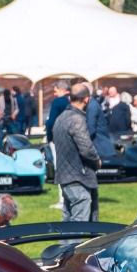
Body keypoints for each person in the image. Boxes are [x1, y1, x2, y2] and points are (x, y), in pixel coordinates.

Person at [52, 82, 101, 221]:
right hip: (78, 176)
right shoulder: (76, 119)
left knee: (68, 219)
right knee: (80, 217)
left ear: (70, 98)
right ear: (87, 99)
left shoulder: (61, 118)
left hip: (65, 175)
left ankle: (67, 238)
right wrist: (97, 160)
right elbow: (86, 148)